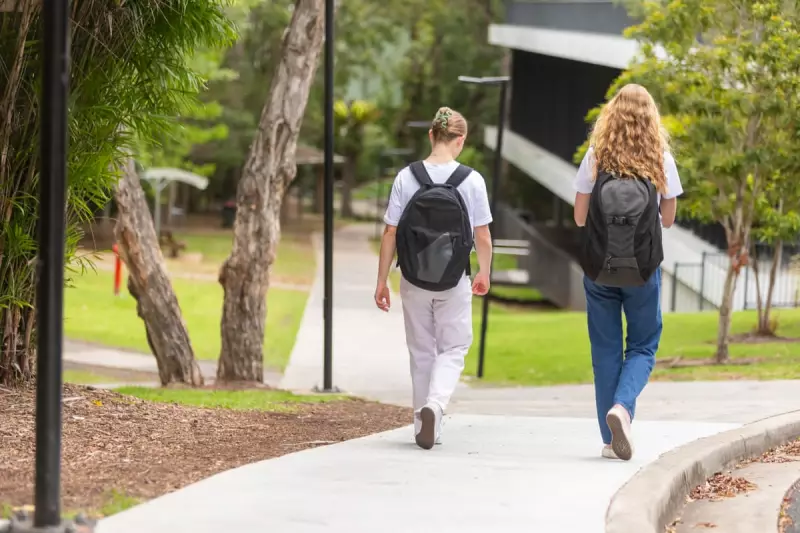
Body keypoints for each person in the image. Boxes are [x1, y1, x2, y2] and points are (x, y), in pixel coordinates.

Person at [573, 84, 683, 461]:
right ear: (650, 118)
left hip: (599, 269)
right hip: (642, 269)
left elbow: (579, 216)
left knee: (605, 352)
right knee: (643, 345)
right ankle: (622, 407)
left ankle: (609, 439)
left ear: (611, 116)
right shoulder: (660, 158)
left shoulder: (595, 157)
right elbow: (667, 220)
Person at [375, 107, 493, 450]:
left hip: (413, 278)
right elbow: (482, 235)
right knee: (455, 346)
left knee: (421, 350)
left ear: (431, 135)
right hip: (454, 279)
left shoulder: (406, 177)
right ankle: (435, 406)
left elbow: (389, 232)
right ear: (460, 140)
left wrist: (381, 281)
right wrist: (484, 272)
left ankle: (421, 423)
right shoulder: (471, 180)